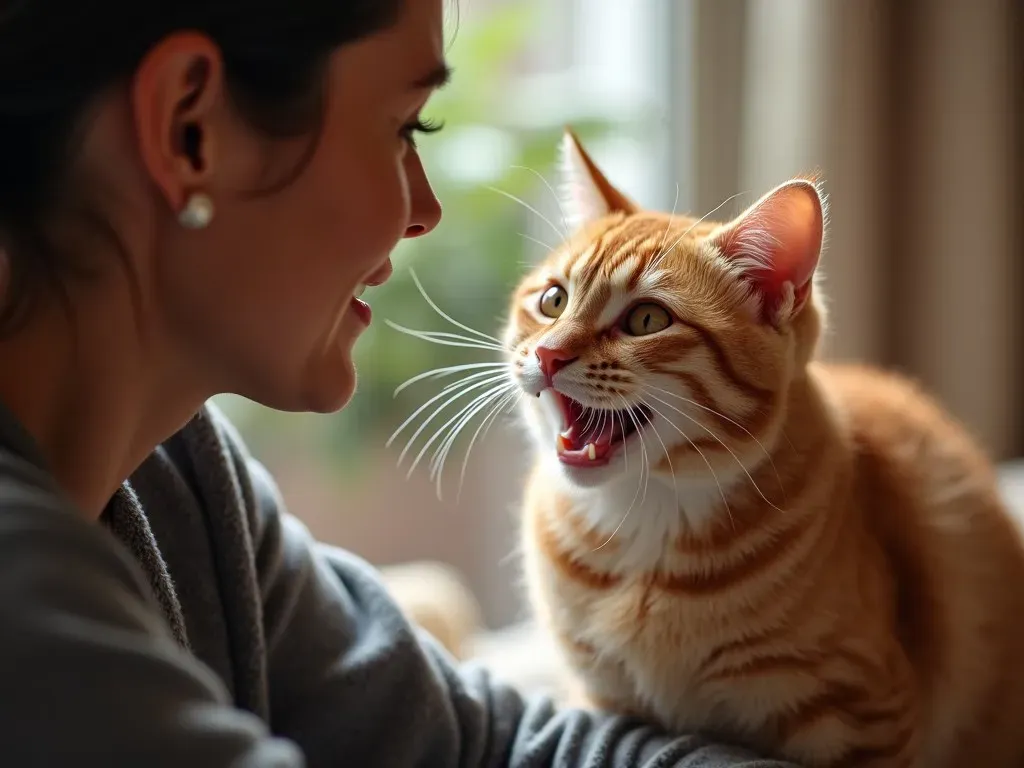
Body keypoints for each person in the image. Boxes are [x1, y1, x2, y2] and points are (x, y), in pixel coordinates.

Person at [0, 0, 794, 765]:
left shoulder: (184, 477)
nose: (426, 209)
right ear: (190, 129)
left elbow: (479, 744)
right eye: (405, 127)